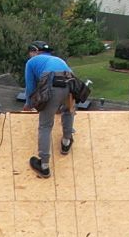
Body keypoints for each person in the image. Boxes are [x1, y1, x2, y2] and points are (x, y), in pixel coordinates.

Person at [25, 45, 85, 176]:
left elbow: (30, 87)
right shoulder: (59, 60)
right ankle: (66, 142)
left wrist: (29, 104)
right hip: (70, 83)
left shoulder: (31, 62)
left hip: (52, 83)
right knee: (68, 110)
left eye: (30, 52)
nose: (29, 55)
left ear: (36, 51)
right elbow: (70, 80)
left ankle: (44, 165)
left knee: (45, 125)